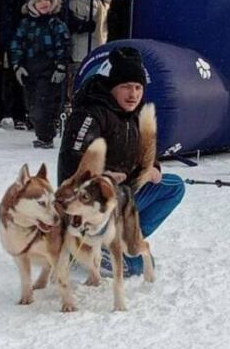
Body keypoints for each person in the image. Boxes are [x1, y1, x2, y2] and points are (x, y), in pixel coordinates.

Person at [58, 45, 185, 275]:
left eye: (138, 87)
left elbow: (146, 156)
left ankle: (127, 237)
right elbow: (71, 162)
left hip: (122, 197)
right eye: (126, 87)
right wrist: (103, 176)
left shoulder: (133, 116)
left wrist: (152, 168)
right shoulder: (90, 114)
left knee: (174, 187)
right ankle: (84, 242)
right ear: (113, 87)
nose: (133, 94)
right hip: (90, 201)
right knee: (136, 269)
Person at [10, 0, 70, 149]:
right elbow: (17, 45)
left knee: (44, 106)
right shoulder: (26, 24)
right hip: (30, 70)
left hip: (49, 71)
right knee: (32, 105)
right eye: (39, 1)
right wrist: (17, 66)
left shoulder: (56, 24)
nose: (44, 3)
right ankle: (42, 133)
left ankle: (46, 136)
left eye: (47, 0)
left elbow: (63, 47)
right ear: (32, 4)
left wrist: (61, 67)